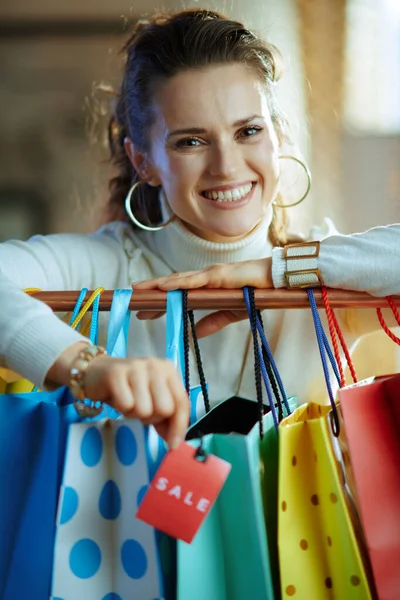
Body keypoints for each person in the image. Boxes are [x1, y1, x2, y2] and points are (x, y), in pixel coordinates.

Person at [0, 9, 399, 448]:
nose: (226, 167)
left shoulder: (328, 272)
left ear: (279, 137)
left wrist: (277, 270)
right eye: (190, 141)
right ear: (143, 161)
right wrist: (88, 367)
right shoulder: (100, 267)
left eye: (248, 131)